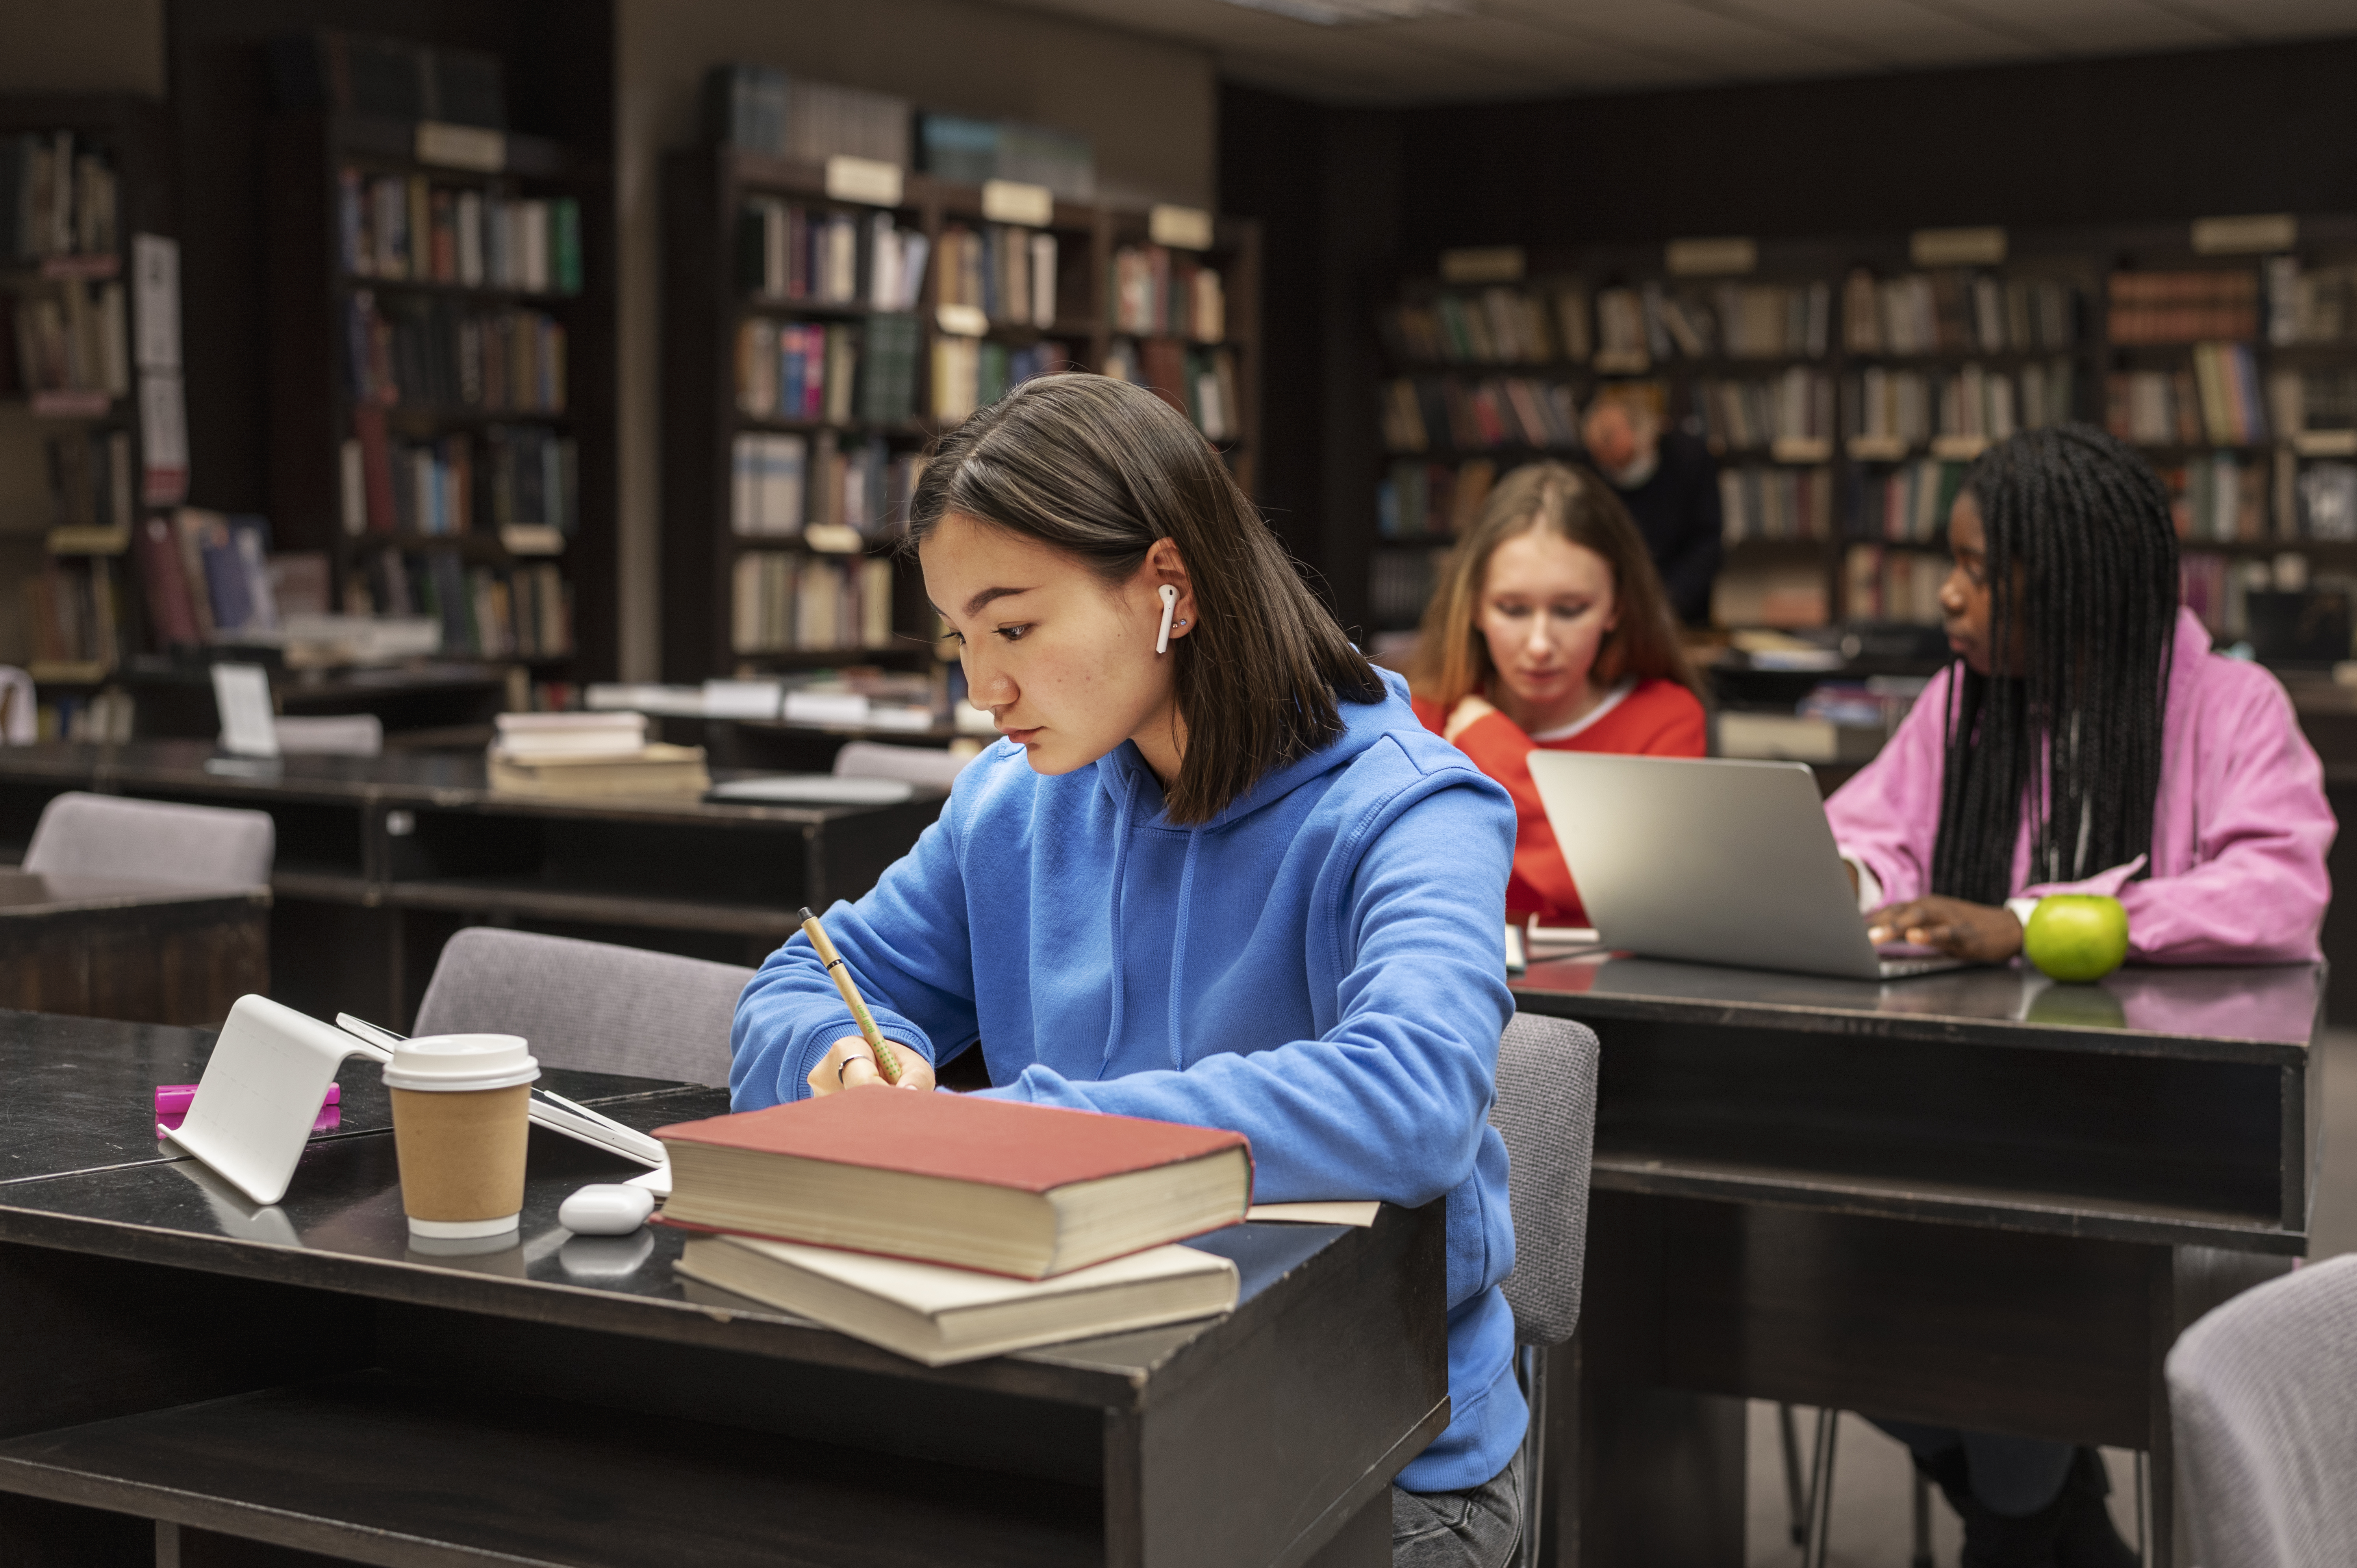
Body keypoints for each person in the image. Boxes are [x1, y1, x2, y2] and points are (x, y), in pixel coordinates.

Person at [731, 374, 1531, 1568]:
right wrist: (846, 1059)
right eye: (959, 640)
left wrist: (1024, 1132)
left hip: (1370, 1455)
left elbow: (1412, 1097)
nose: (981, 688)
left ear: (1169, 586)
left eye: (1013, 629)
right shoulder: (1014, 801)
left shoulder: (1413, 808)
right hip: (1081, 1409)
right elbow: (797, 983)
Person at [1823, 424, 2334, 1568]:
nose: (1947, 596)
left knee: (2005, 1304)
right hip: (1962, 1113)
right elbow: (1865, 836)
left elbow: (2278, 890)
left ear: (2075, 584)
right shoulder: (1965, 704)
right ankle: (2048, 1515)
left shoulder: (2233, 708)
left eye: (1981, 571)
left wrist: (2034, 924)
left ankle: (2025, 1513)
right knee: (1812, 1291)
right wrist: (1843, 886)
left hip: (2156, 1139)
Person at [1408, 461, 1706, 927]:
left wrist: (1491, 744)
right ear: (1473, 607)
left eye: (1570, 610)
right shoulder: (1420, 714)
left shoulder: (1665, 720)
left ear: (1617, 608)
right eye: (1512, 609)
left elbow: (1625, 891)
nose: (1540, 644)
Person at [1581, 392, 1722, 625]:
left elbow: (1707, 542)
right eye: (1608, 465)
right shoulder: (1589, 472)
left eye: (1624, 461)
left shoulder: (1689, 459)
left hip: (1682, 608)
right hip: (1613, 608)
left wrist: (1668, 602)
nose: (1617, 472)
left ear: (1646, 438)